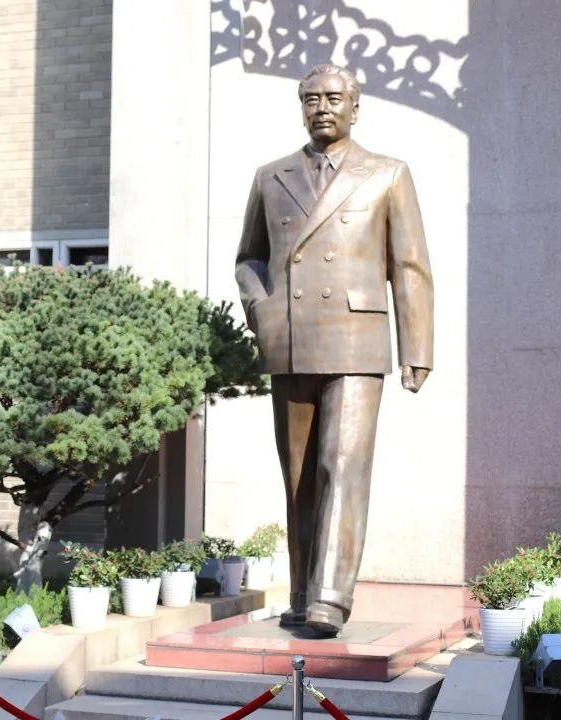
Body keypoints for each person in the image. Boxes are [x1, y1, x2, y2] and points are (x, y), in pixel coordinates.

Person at [234, 63, 433, 638]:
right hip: (291, 338)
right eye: (311, 99)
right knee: (299, 476)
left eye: (333, 98)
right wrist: (263, 309)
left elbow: (409, 265)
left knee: (341, 465)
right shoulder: (270, 177)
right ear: (301, 107)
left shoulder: (388, 173)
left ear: (355, 107)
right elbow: (249, 258)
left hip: (356, 339)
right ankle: (301, 595)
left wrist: (416, 345)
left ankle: (329, 598)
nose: (322, 107)